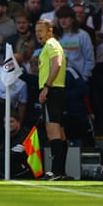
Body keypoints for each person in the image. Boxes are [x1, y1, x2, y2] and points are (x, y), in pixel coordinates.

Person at [35, 19, 70, 180]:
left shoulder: (51, 45)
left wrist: (47, 87)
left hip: (53, 90)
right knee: (60, 133)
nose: (38, 34)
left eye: (41, 31)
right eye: (36, 31)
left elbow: (57, 64)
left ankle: (56, 171)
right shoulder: (52, 45)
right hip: (57, 91)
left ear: (50, 30)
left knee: (53, 131)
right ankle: (60, 171)